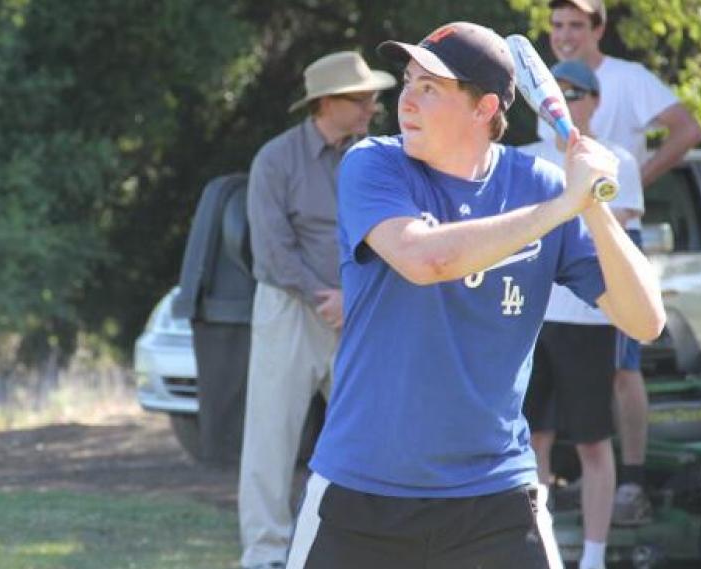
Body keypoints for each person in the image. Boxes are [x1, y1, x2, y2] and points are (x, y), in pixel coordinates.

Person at [284, 22, 665, 569]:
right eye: (409, 81)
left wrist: (591, 204)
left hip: (497, 498)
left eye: (430, 88)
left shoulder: (540, 184)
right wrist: (561, 207)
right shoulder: (374, 163)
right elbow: (425, 259)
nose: (406, 100)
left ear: (484, 109)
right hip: (361, 492)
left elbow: (645, 319)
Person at [544, 0, 701, 525]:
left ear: (599, 28)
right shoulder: (544, 85)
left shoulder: (629, 79)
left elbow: (688, 129)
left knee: (621, 364)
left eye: (576, 25)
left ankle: (631, 480)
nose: (566, 35)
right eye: (558, 25)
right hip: (560, 238)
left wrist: (630, 180)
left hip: (615, 228)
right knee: (552, 390)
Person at [238, 50, 396, 569]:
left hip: (359, 309)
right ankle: (264, 555)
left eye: (374, 96)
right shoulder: (275, 159)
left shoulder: (376, 156)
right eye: (362, 98)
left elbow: (393, 232)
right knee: (271, 438)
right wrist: (324, 298)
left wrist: (354, 296)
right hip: (289, 309)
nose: (373, 106)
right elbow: (272, 249)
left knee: (373, 435)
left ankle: (369, 547)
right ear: (327, 103)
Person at [521, 60, 644, 569]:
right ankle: (539, 547)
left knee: (593, 442)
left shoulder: (616, 160)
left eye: (575, 94)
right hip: (529, 317)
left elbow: (605, 234)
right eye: (556, 94)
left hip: (589, 321)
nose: (564, 105)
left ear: (594, 101)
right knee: (532, 440)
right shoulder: (521, 159)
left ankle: (592, 558)